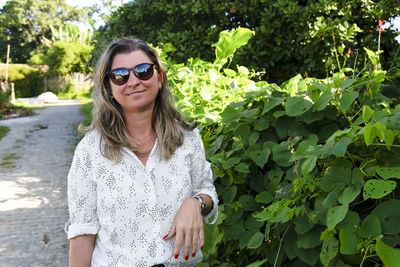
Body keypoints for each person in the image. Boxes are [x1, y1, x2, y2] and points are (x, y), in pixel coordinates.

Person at [65, 37, 218, 267]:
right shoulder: (90, 151)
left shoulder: (186, 138)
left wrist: (195, 203)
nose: (133, 81)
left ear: (159, 77)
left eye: (143, 71)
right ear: (109, 86)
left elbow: (206, 190)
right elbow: (82, 232)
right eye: (120, 75)